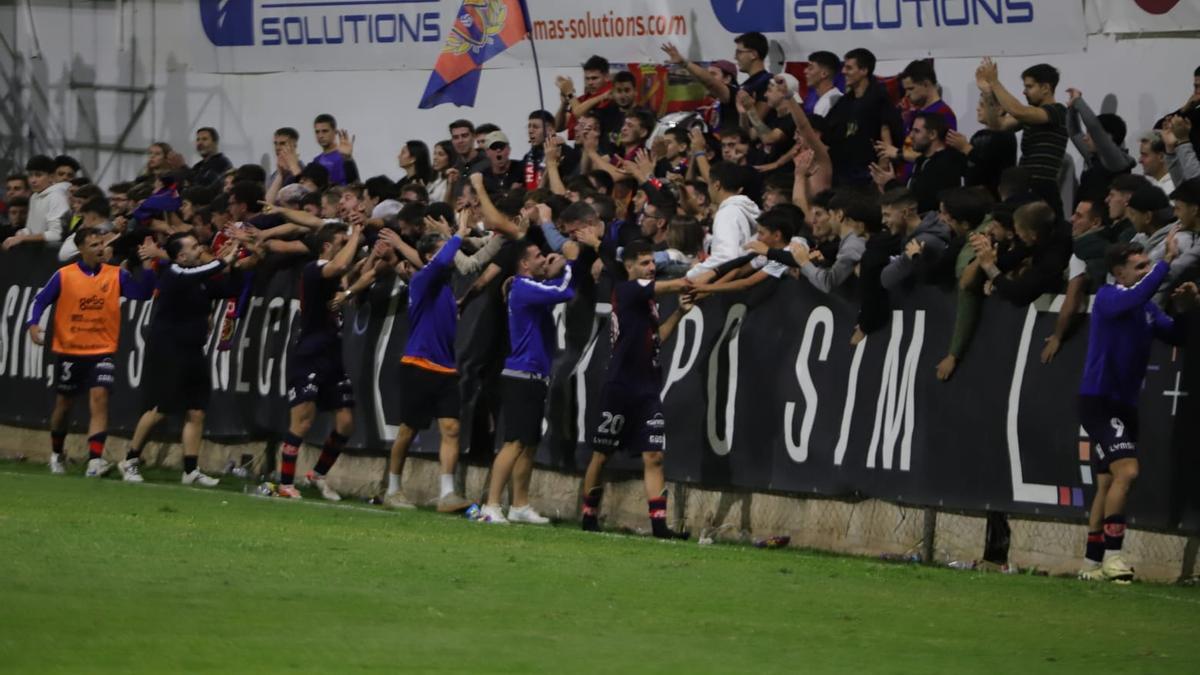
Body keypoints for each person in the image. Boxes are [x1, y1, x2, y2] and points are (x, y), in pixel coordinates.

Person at [1076, 244, 1197, 583]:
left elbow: (1177, 335)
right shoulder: (1109, 297)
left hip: (1125, 405)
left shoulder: (1146, 308)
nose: (1146, 269)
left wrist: (1187, 308)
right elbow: (1136, 296)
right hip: (1099, 401)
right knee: (1127, 472)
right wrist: (1166, 265)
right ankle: (1115, 557)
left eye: (1148, 264)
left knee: (1107, 481)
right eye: (1139, 266)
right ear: (1119, 273)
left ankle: (1091, 563)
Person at [581, 240, 693, 539]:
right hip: (620, 386)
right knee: (602, 454)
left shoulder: (648, 302)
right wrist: (689, 279)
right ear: (629, 267)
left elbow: (657, 340)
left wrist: (679, 314)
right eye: (644, 263)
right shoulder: (627, 289)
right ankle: (588, 516)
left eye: (652, 263)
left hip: (647, 388)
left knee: (654, 456)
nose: (651, 268)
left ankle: (659, 526)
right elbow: (672, 285)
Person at [25, 227, 154, 476]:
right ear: (81, 249)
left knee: (100, 399)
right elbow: (41, 299)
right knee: (64, 405)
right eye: (93, 245)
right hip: (70, 350)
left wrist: (148, 267)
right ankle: (56, 454)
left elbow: (143, 293)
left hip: (102, 350)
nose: (99, 249)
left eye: (101, 244)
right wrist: (33, 323)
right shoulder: (64, 275)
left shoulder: (116, 275)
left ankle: (95, 461)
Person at [119, 232, 241, 485]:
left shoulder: (198, 279)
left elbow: (230, 287)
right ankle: (130, 459)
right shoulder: (174, 274)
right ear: (182, 255)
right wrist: (224, 259)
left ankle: (190, 470)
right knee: (160, 408)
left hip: (193, 349)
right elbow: (207, 270)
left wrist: (235, 263)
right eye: (195, 247)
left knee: (196, 410)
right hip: (168, 350)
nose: (200, 249)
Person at [480, 240, 581, 524]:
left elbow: (552, 289)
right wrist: (570, 262)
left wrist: (553, 271)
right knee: (513, 443)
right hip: (521, 375)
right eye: (538, 256)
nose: (543, 258)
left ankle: (519, 505)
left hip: (535, 375)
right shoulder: (523, 287)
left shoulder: (526, 287)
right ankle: (491, 505)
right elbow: (565, 291)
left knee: (529, 443)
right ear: (524, 264)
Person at [383, 220, 474, 512]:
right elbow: (446, 258)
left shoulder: (446, 289)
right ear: (430, 257)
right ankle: (393, 489)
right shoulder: (423, 279)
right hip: (419, 364)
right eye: (441, 250)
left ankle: (447, 494)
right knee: (408, 431)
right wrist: (458, 234)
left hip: (445, 368)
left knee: (451, 428)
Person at [275, 223, 364, 500]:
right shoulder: (314, 270)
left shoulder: (335, 278)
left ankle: (318, 474)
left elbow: (359, 272)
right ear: (327, 246)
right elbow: (339, 267)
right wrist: (358, 234)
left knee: (346, 422)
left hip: (333, 357)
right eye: (342, 241)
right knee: (302, 421)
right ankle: (285, 482)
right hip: (310, 356)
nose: (347, 244)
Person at [975, 60, 1068, 216]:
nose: (1024, 92)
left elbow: (1018, 111)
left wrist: (995, 82)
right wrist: (988, 93)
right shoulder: (1031, 113)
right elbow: (997, 125)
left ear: (1046, 88)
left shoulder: (1058, 111)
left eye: (1029, 87)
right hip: (1023, 185)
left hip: (1043, 189)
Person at [3, 155, 69, 251]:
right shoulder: (34, 197)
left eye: (38, 175)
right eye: (30, 175)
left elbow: (56, 234)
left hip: (52, 257)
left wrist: (23, 238)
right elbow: (31, 229)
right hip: (36, 256)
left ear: (51, 177)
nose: (33, 180)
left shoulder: (57, 197)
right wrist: (21, 233)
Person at [311, 114, 359, 186]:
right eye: (317, 132)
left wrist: (348, 158)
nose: (320, 136)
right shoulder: (316, 160)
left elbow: (355, 184)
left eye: (325, 131)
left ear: (335, 132)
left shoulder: (344, 156)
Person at [803, 51, 843, 118]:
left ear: (824, 74)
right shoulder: (827, 99)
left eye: (810, 68)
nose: (805, 71)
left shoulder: (830, 102)